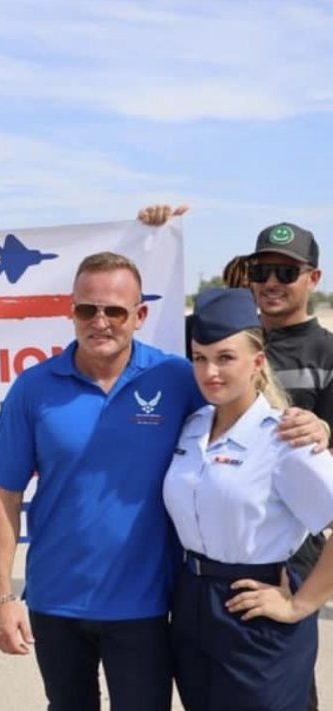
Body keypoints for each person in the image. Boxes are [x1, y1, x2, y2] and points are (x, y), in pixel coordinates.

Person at [0, 251, 327, 710]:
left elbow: (239, 384)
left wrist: (318, 428)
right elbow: (3, 494)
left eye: (115, 310)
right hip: (56, 599)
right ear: (72, 312)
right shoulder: (33, 388)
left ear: (140, 315)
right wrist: (1, 596)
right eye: (87, 309)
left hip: (146, 604)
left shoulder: (175, 377)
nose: (100, 321)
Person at [142, 206, 333, 709]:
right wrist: (152, 236)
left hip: (263, 596)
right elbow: (146, 328)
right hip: (191, 603)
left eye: (226, 359)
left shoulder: (285, 435)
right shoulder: (193, 426)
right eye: (200, 359)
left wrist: (300, 604)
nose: (210, 371)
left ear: (256, 361)